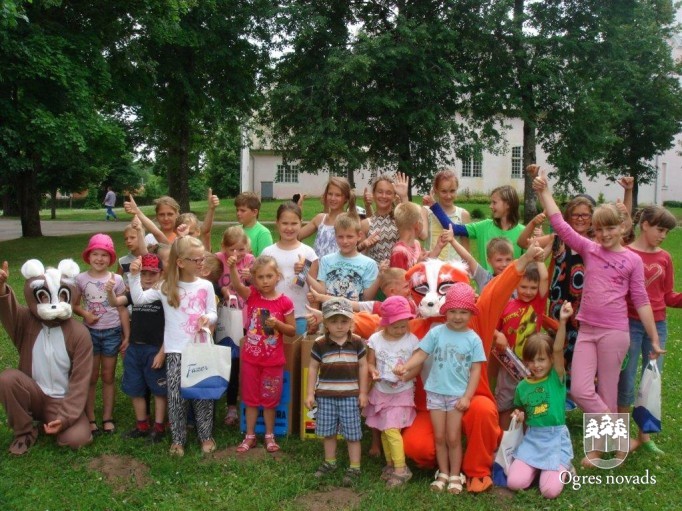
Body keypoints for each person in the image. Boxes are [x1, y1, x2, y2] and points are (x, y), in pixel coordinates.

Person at [533, 169, 664, 467]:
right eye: (599, 229)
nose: (604, 234)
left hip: (614, 333)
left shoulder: (632, 260)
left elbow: (641, 300)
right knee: (581, 389)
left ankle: (597, 450)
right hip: (587, 329)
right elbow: (559, 223)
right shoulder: (590, 249)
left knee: (607, 390)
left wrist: (654, 338)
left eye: (610, 228)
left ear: (622, 228)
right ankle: (617, 434)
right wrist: (544, 191)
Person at [128, 236, 218, 456]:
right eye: (196, 259)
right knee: (176, 397)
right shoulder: (166, 287)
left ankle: (206, 435)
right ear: (180, 262)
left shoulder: (206, 285)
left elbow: (213, 312)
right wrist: (133, 276)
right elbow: (139, 299)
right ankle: (178, 439)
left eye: (202, 258)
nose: (201, 263)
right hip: (176, 351)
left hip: (201, 349)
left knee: (202, 395)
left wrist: (207, 318)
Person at [394, 283, 485, 494]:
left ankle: (455, 474)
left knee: (453, 437)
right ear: (446, 312)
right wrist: (406, 366)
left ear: (471, 313)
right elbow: (421, 354)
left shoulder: (473, 339)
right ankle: (443, 473)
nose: (457, 317)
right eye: (453, 311)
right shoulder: (436, 333)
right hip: (435, 393)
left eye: (463, 312)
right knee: (439, 437)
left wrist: (467, 397)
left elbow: (475, 370)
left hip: (456, 396)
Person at [0, 258, 93, 455]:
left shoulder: (79, 333)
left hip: (61, 400)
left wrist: (65, 417)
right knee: (7, 379)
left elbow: (80, 381)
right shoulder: (26, 322)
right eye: (43, 297)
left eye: (61, 295)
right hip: (32, 392)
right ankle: (24, 431)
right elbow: (9, 312)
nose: (53, 304)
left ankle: (53, 420)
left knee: (76, 439)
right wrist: (2, 289)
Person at [618, 205, 681, 454]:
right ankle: (621, 437)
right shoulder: (625, 252)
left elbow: (668, 296)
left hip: (658, 326)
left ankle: (643, 436)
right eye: (660, 229)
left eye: (667, 232)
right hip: (629, 324)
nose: (663, 235)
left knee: (651, 380)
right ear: (645, 225)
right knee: (626, 379)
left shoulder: (665, 258)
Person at [228, 255, 296, 453]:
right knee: (250, 399)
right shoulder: (252, 296)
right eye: (260, 277)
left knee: (269, 400)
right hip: (250, 359)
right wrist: (232, 269)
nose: (265, 281)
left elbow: (292, 331)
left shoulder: (285, 302)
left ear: (277, 276)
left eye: (269, 276)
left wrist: (278, 324)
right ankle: (249, 436)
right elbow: (237, 286)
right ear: (254, 279)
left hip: (273, 362)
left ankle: (269, 435)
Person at [507, 301, 574, 499]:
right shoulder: (522, 387)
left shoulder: (556, 378)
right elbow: (521, 410)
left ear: (551, 360)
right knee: (514, 482)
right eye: (531, 360)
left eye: (542, 359)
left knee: (549, 491)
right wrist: (518, 415)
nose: (536, 365)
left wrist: (563, 322)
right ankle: (537, 468)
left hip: (555, 438)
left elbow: (558, 349)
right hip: (533, 439)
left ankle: (564, 465)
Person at [305, 298, 369, 486]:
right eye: (334, 321)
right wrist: (310, 393)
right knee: (328, 432)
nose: (339, 326)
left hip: (350, 396)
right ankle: (330, 462)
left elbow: (363, 366)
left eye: (344, 321)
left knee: (353, 433)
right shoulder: (320, 343)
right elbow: (313, 368)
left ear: (351, 321)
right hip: (326, 396)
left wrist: (363, 393)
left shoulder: (357, 342)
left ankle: (355, 466)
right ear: (325, 323)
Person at [107, 253, 167, 442]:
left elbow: (172, 326)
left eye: (152, 274)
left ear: (161, 274)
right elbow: (115, 303)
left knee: (159, 389)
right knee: (135, 387)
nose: (147, 278)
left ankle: (159, 426)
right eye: (143, 274)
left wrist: (162, 352)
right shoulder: (135, 292)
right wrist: (109, 291)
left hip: (155, 349)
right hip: (135, 347)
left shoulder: (163, 295)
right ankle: (142, 425)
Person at [73, 234, 128, 435]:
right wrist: (86, 314)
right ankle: (90, 417)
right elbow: (75, 305)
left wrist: (126, 335)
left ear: (110, 258)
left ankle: (107, 417)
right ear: (88, 256)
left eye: (104, 255)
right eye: (95, 254)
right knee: (91, 377)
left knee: (108, 376)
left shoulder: (117, 279)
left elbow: (122, 308)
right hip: (90, 333)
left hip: (112, 332)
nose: (99, 258)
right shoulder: (80, 279)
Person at [364, 296, 419, 488]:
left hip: (402, 392)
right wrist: (373, 372)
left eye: (404, 326)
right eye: (396, 327)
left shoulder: (411, 340)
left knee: (392, 429)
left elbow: (417, 366)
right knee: (384, 428)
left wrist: (406, 375)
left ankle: (401, 469)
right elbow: (370, 362)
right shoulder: (375, 340)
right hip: (381, 391)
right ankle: (390, 463)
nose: (401, 330)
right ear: (385, 323)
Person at [494, 261, 552, 429]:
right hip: (508, 364)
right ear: (515, 285)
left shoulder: (538, 303)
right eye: (523, 287)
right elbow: (491, 327)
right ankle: (504, 437)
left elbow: (545, 277)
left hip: (532, 365)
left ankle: (528, 437)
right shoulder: (506, 305)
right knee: (504, 403)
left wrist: (540, 259)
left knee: (529, 403)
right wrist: (498, 335)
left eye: (533, 288)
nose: (528, 292)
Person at [428, 185, 525, 271]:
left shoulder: (523, 232)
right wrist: (434, 206)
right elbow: (453, 228)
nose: (490, 206)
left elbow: (528, 265)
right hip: (487, 284)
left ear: (507, 204)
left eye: (494, 203)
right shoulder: (483, 227)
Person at [215, 226, 255, 426]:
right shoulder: (217, 259)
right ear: (224, 247)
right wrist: (221, 289)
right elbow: (208, 279)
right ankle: (229, 404)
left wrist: (252, 277)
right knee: (229, 363)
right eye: (232, 249)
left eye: (241, 249)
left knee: (243, 363)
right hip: (224, 320)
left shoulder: (250, 261)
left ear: (247, 247)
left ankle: (243, 403)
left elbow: (260, 286)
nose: (237, 254)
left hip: (246, 320)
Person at [262, 202, 319, 335]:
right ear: (277, 223)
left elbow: (314, 291)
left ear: (301, 223)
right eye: (285, 223)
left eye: (294, 223)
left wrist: (314, 317)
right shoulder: (267, 253)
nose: (289, 228)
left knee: (297, 348)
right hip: (272, 316)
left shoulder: (308, 253)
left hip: (301, 316)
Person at [310, 213, 380, 301]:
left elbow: (367, 298)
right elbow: (322, 292)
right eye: (340, 237)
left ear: (359, 236)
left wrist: (379, 278)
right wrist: (305, 274)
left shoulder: (369, 264)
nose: (345, 241)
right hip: (330, 309)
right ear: (335, 236)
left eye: (349, 237)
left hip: (355, 309)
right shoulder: (326, 260)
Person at [298, 177, 359, 258]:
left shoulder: (349, 221)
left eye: (338, 195)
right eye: (330, 194)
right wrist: (298, 209)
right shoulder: (320, 219)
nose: (333, 198)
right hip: (318, 265)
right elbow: (297, 236)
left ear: (346, 198)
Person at [420, 170, 470, 261]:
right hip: (431, 266)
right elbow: (422, 236)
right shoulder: (427, 211)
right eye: (444, 191)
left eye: (452, 191)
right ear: (435, 190)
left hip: (454, 267)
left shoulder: (463, 214)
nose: (448, 196)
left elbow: (466, 249)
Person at [359, 173, 409, 264]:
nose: (384, 196)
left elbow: (412, 224)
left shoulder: (399, 220)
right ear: (373, 194)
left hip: (398, 269)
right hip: (375, 271)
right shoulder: (366, 224)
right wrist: (364, 245)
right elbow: (359, 256)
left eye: (388, 193)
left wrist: (404, 197)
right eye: (380, 192)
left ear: (394, 197)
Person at [390, 202, 449, 270]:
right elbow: (398, 277)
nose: (423, 221)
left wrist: (438, 246)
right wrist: (418, 265)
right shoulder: (399, 252)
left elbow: (426, 262)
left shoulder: (416, 244)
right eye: (421, 219)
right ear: (417, 225)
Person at [447, 235, 515, 293]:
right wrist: (453, 241)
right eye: (499, 260)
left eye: (508, 259)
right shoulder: (484, 278)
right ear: (489, 261)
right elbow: (469, 259)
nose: (504, 264)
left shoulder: (517, 281)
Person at [234, 192, 273, 257]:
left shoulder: (263, 233)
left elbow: (265, 261)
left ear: (255, 212)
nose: (238, 213)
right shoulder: (235, 231)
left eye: (242, 210)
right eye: (237, 210)